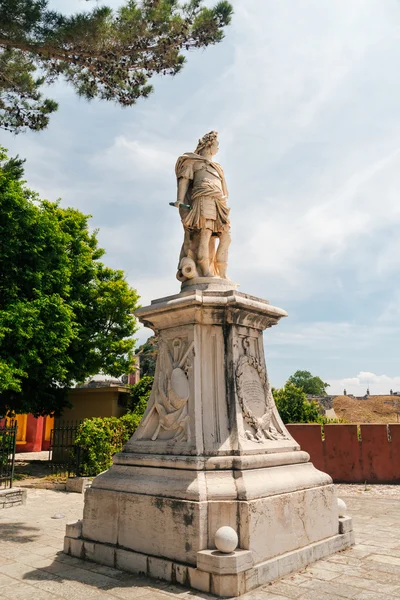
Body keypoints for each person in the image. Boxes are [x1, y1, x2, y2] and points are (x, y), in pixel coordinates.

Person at [173, 131, 231, 279]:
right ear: (209, 145)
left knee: (226, 236)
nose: (218, 149)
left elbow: (224, 188)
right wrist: (180, 200)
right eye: (217, 145)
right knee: (205, 234)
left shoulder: (218, 167)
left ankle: (222, 272)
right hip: (203, 198)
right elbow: (184, 181)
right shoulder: (193, 161)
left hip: (219, 201)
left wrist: (223, 198)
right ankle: (205, 270)